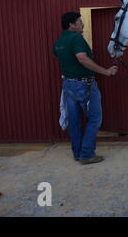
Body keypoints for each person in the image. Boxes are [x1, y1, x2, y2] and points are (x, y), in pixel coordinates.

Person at [53, 12, 118, 165]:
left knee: (74, 121)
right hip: (84, 85)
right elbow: (82, 58)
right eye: (79, 22)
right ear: (71, 25)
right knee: (95, 118)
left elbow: (59, 56)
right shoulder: (76, 38)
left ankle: (78, 153)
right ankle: (87, 154)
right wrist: (106, 71)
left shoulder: (59, 41)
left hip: (68, 84)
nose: (82, 24)